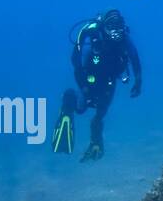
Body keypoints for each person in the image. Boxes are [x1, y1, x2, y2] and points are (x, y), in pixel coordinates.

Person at [52, 9, 141, 161]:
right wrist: (83, 86)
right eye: (111, 27)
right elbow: (77, 65)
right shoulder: (92, 36)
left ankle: (96, 143)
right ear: (104, 26)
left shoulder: (124, 39)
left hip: (109, 79)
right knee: (80, 109)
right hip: (89, 78)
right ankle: (68, 104)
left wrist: (138, 81)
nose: (115, 32)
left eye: (118, 27)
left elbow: (134, 57)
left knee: (101, 112)